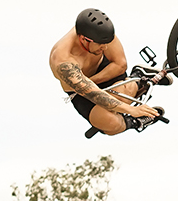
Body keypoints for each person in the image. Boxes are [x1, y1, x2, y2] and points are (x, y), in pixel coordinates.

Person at [50, 8, 166, 136]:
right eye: (101, 45)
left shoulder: (100, 33)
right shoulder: (63, 60)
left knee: (122, 95)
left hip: (103, 72)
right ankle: (134, 122)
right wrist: (133, 111)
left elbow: (120, 64)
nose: (105, 48)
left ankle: (139, 78)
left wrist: (88, 83)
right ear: (84, 39)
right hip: (79, 92)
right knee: (108, 124)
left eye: (107, 43)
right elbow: (94, 94)